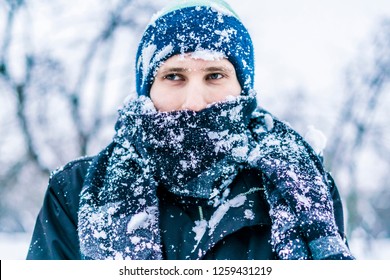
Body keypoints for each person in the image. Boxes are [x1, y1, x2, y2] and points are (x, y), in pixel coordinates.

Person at [27, 0, 354, 260]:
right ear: (147, 89)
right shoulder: (75, 191)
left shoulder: (300, 185)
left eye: (214, 75)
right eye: (173, 76)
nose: (194, 101)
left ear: (243, 88)